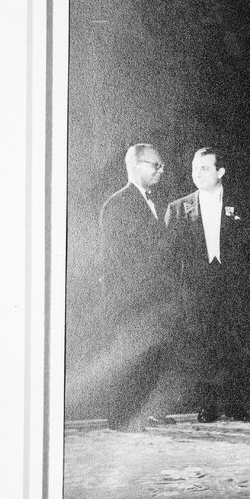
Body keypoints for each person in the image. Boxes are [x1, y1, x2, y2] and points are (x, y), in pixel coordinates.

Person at [163, 147, 250, 423]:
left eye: (205, 168)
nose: (198, 173)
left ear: (221, 172)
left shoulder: (241, 204)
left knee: (233, 344)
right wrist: (176, 295)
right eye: (195, 168)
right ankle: (207, 405)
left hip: (232, 286)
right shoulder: (178, 208)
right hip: (196, 290)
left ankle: (234, 403)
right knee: (202, 347)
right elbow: (170, 259)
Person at [96, 143, 174, 431]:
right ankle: (120, 417)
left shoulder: (153, 201)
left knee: (151, 356)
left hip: (153, 297)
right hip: (130, 299)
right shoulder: (117, 204)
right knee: (128, 358)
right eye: (155, 165)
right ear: (136, 165)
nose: (160, 170)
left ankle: (146, 411)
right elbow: (117, 258)